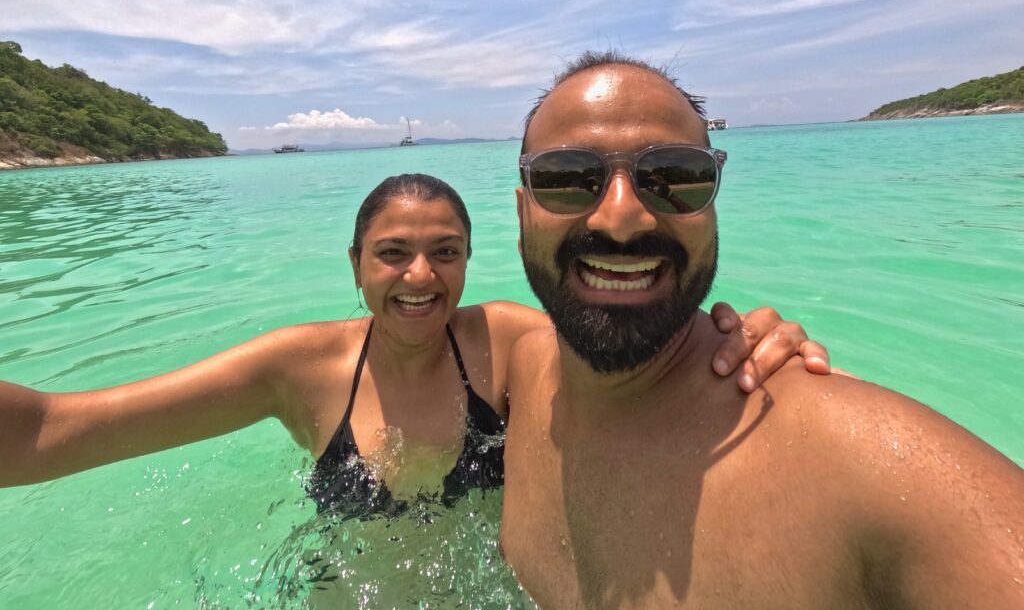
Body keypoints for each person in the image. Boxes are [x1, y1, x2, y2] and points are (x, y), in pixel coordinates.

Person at [500, 50, 1024, 609]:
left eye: (674, 176)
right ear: (521, 214)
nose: (622, 217)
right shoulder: (520, 366)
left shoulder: (867, 469)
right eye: (565, 178)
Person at [0, 174, 828, 518]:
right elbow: (52, 431)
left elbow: (641, 362)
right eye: (393, 253)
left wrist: (748, 343)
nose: (421, 276)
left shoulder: (504, 340)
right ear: (356, 264)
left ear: (468, 261)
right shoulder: (297, 369)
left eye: (446, 253)